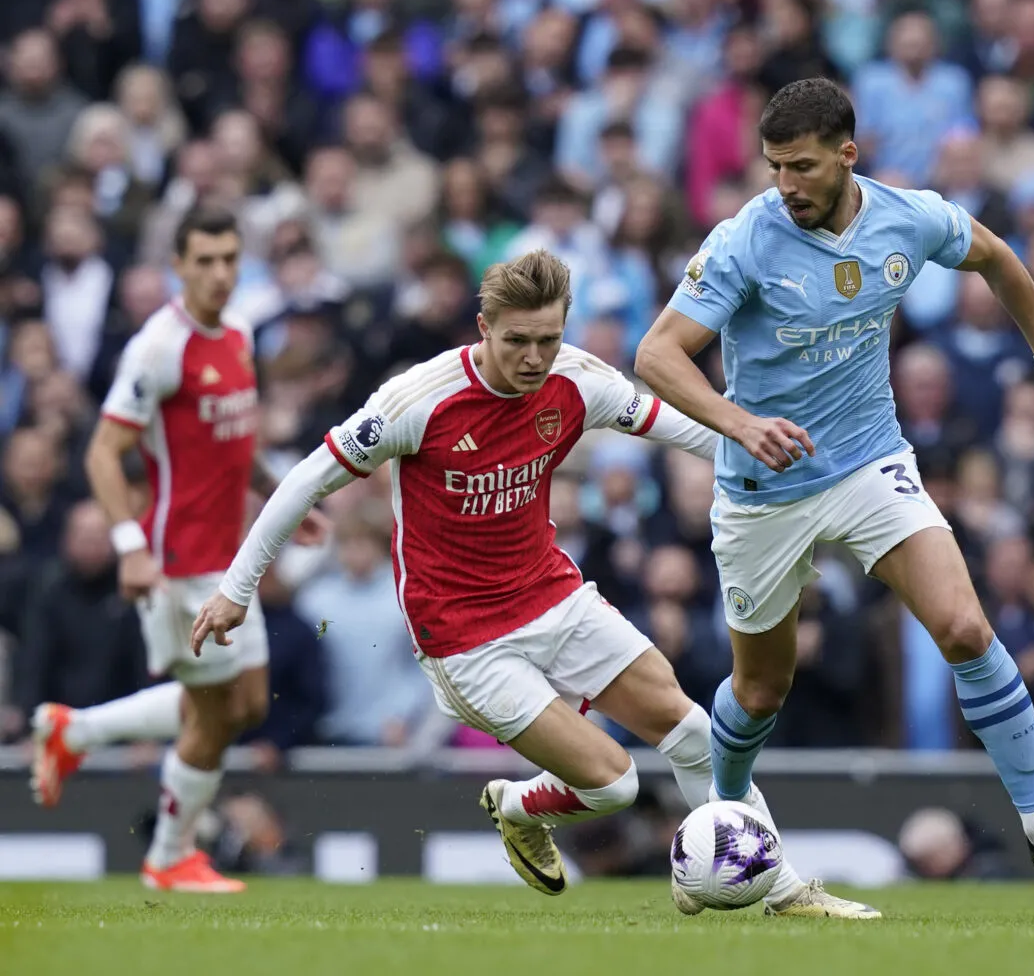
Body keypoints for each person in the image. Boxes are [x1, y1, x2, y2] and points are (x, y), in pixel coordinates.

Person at [190, 249, 878, 919]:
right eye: (517, 340)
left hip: (552, 594)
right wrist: (236, 589)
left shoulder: (576, 380)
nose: (533, 357)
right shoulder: (419, 400)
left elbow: (677, 428)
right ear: (484, 329)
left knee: (693, 730)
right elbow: (309, 478)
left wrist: (753, 438)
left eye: (547, 339)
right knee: (614, 784)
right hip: (464, 638)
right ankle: (519, 808)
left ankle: (781, 889)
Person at [634, 78, 1034, 893]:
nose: (785, 185)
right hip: (765, 483)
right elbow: (656, 354)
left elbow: (998, 258)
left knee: (966, 630)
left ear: (847, 154)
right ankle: (724, 828)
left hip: (869, 460)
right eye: (774, 167)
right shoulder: (744, 241)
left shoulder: (910, 216)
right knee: (761, 690)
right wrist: (737, 422)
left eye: (800, 166)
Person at [29, 206, 327, 893]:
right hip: (178, 563)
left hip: (231, 556)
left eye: (230, 258)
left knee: (247, 704)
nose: (221, 273)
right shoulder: (157, 347)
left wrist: (277, 496)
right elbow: (105, 455)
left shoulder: (242, 330)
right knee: (218, 714)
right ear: (179, 266)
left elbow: (236, 435)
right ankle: (170, 856)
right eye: (206, 261)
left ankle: (72, 733)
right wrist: (130, 548)